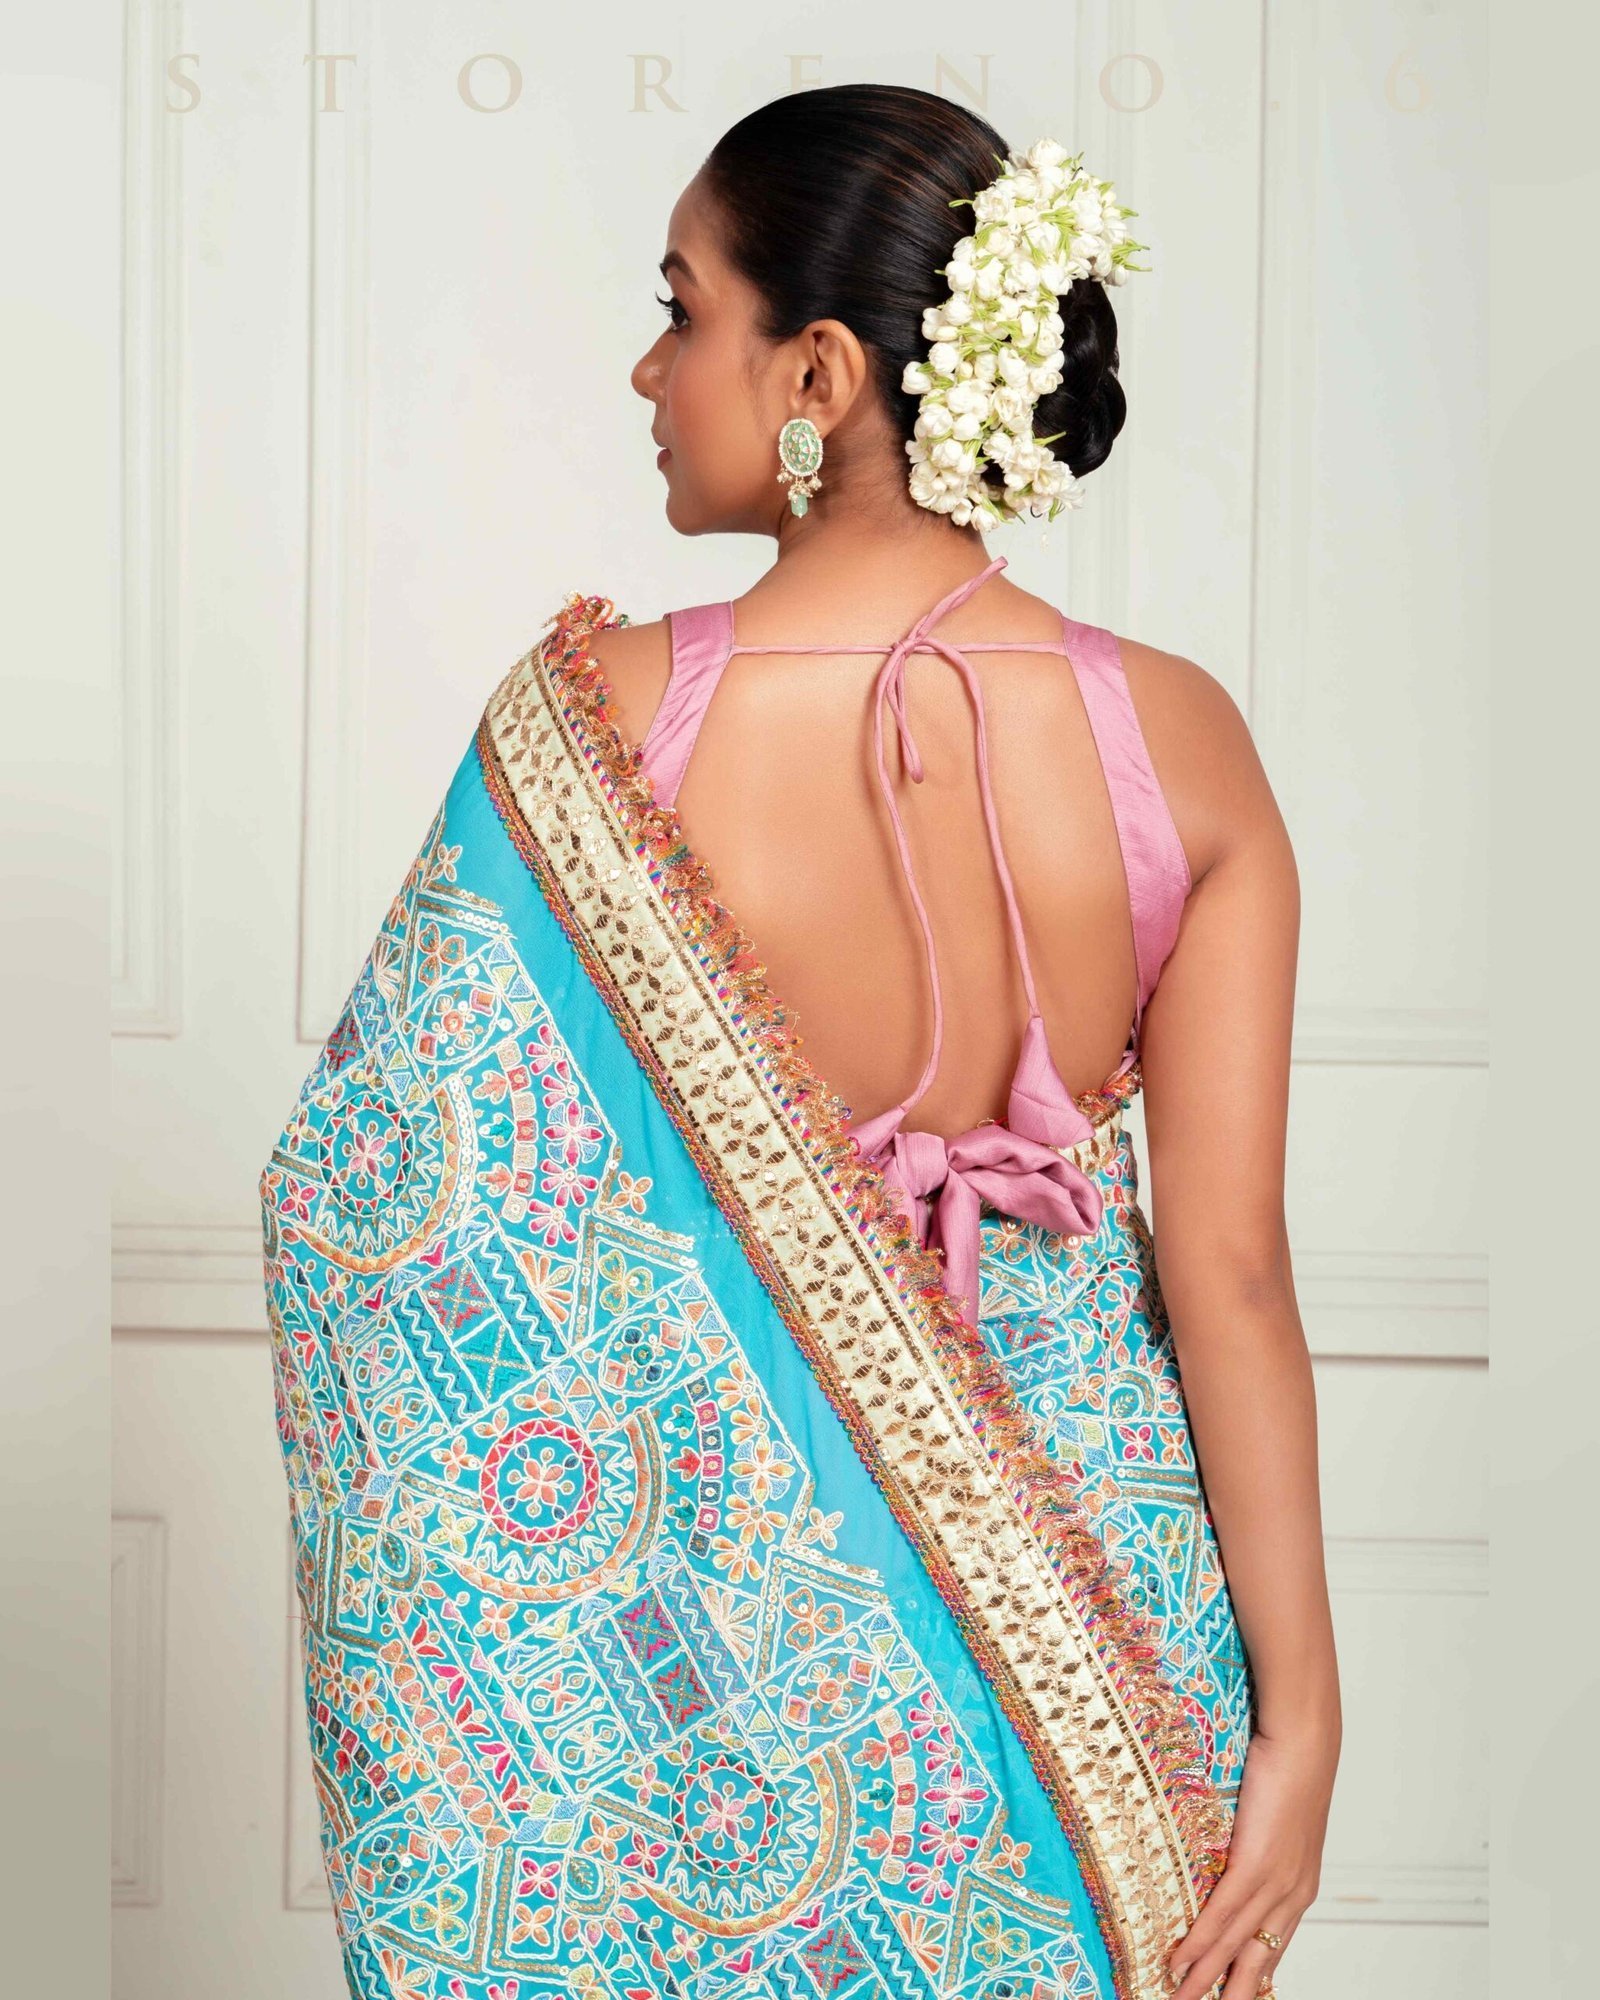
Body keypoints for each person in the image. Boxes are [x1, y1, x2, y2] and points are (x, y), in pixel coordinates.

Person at [262, 83, 1339, 2000]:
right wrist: (1303, 1725)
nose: (646, 368)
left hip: (718, 1682)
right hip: (1103, 1657)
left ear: (818, 373)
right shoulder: (1180, 737)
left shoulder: (601, 720)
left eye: (681, 310)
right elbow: (1232, 1274)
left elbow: (368, 1201)